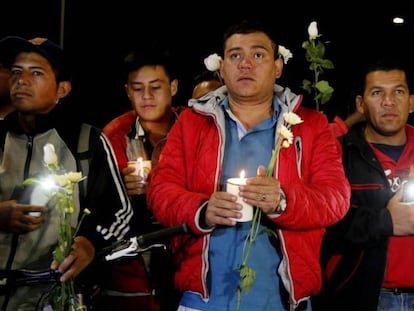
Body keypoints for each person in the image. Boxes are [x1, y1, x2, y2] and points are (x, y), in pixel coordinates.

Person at [147, 19, 351, 311]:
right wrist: (202, 209)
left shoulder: (311, 126)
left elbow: (336, 199)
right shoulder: (192, 124)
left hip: (282, 300)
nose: (245, 64)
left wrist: (283, 200)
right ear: (222, 67)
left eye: (258, 55)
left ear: (277, 67)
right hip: (202, 299)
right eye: (235, 55)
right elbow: (160, 191)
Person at [0, 36, 133, 310]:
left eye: (35, 72)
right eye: (16, 71)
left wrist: (89, 243)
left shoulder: (86, 141)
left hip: (53, 295)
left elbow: (119, 212)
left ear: (62, 89)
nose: (21, 80)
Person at [312, 57, 414, 311]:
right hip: (365, 297)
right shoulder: (338, 155)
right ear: (361, 103)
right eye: (377, 93)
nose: (388, 102)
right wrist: (385, 221)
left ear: (411, 102)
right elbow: (322, 229)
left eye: (398, 92)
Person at [100, 47, 183, 311]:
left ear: (173, 87)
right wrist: (119, 188)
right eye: (137, 88)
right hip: (131, 265)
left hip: (185, 250)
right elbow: (96, 200)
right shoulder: (113, 134)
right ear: (127, 91)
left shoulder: (192, 127)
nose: (146, 96)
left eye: (155, 87)